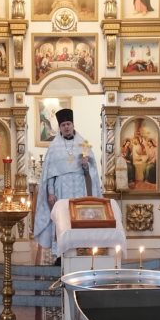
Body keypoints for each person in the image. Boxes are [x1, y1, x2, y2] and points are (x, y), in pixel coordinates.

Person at [34, 108, 101, 264]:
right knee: (62, 221)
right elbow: (50, 174)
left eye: (68, 124)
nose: (66, 127)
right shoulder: (54, 147)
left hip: (80, 190)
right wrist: (51, 193)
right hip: (61, 191)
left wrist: (85, 165)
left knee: (78, 220)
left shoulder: (83, 144)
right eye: (63, 125)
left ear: (73, 124)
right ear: (60, 127)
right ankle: (61, 255)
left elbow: (92, 171)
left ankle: (80, 251)